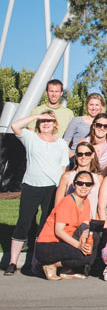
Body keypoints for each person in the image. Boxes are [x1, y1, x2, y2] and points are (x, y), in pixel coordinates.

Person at [5, 112, 69, 276]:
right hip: (31, 186)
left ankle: (36, 262)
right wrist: (36, 116)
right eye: (43, 121)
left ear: (55, 124)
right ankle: (13, 262)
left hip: (52, 188)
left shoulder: (61, 143)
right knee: (23, 223)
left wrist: (60, 190)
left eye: (49, 121)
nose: (46, 123)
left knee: (45, 226)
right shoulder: (31, 138)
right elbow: (15, 126)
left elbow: (63, 168)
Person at [33, 170, 99, 280]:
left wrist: (85, 233)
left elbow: (85, 223)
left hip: (64, 243)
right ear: (74, 184)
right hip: (47, 246)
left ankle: (66, 270)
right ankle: (50, 265)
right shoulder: (67, 202)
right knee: (84, 255)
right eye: (80, 183)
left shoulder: (86, 202)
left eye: (88, 184)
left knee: (93, 241)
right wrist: (79, 245)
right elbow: (59, 231)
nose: (84, 187)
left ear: (92, 187)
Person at [54, 141, 104, 219]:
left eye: (87, 154)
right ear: (76, 156)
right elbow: (58, 204)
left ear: (92, 155)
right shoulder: (67, 176)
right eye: (80, 154)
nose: (83, 157)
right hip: (69, 219)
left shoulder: (98, 178)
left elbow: (100, 205)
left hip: (90, 220)